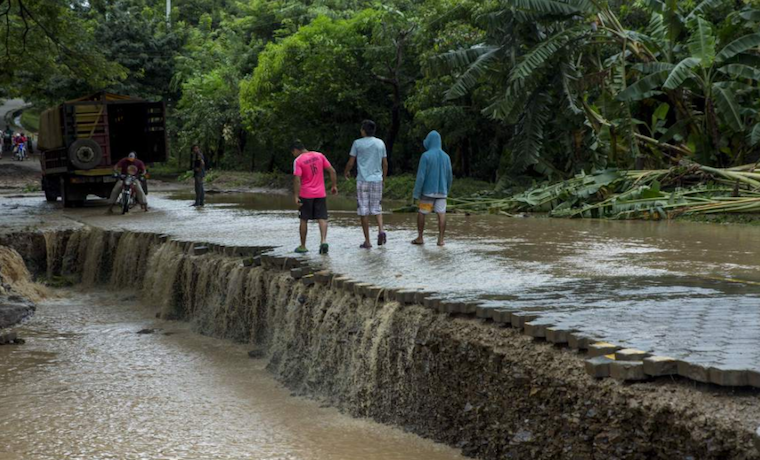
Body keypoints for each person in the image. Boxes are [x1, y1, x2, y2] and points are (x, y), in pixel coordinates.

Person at [344, 120, 388, 249]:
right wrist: (383, 179)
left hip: (363, 180)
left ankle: (367, 241)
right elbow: (385, 164)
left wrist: (346, 172)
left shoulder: (357, 143)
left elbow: (351, 162)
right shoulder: (380, 143)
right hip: (377, 180)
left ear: (363, 130)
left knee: (363, 210)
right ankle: (381, 230)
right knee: (377, 207)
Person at [291, 140, 338, 254]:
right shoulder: (319, 156)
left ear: (296, 150)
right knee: (322, 217)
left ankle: (303, 246)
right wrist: (334, 186)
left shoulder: (298, 161)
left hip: (306, 194)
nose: (293, 155)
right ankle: (323, 241)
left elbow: (297, 179)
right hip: (320, 193)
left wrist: (296, 196)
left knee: (303, 219)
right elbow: (332, 171)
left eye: (292, 152)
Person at [411, 130, 453, 246]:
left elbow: (421, 177)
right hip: (442, 193)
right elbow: (450, 177)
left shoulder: (425, 156)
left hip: (428, 193)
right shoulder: (446, 157)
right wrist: (447, 190)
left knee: (422, 213)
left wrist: (416, 194)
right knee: (441, 214)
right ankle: (441, 240)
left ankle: (420, 237)